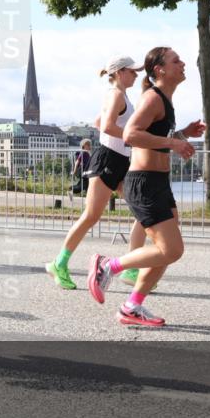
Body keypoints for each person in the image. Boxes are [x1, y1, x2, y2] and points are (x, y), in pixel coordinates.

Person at [87, 47, 205, 327]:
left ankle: (132, 307)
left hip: (159, 183)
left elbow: (153, 135)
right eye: (176, 61)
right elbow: (131, 134)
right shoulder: (153, 98)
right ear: (160, 70)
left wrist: (182, 134)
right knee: (172, 250)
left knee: (165, 249)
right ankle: (108, 266)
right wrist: (174, 143)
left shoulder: (164, 99)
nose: (183, 63)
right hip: (145, 183)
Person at [46, 57, 146, 290]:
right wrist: (132, 136)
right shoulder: (116, 95)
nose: (137, 75)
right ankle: (58, 264)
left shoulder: (120, 95)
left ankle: (131, 269)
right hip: (108, 160)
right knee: (91, 216)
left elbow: (99, 122)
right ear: (121, 72)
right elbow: (109, 125)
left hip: (119, 160)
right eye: (133, 71)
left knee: (142, 211)